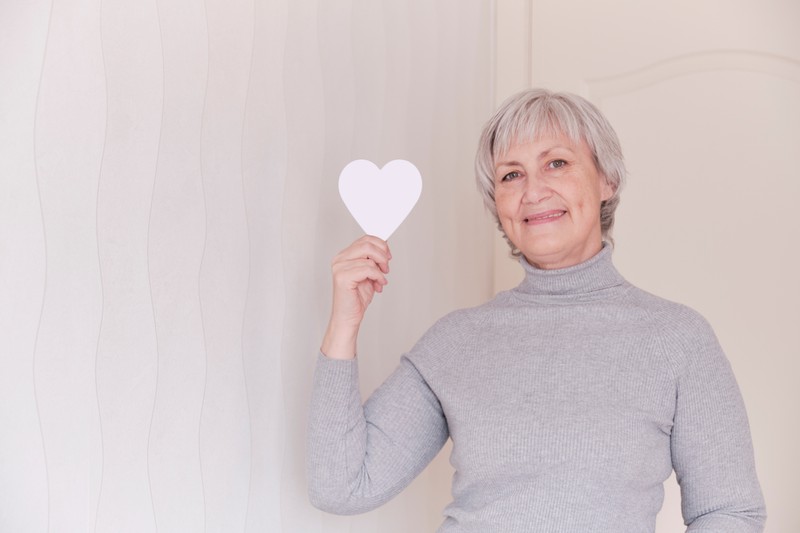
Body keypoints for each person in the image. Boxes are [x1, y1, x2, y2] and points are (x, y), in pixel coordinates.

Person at [307, 88, 766, 532]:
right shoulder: (455, 342)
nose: (533, 190)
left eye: (557, 163)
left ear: (607, 180)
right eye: (511, 175)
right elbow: (343, 487)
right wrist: (344, 324)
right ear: (497, 205)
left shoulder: (677, 338)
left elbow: (729, 511)